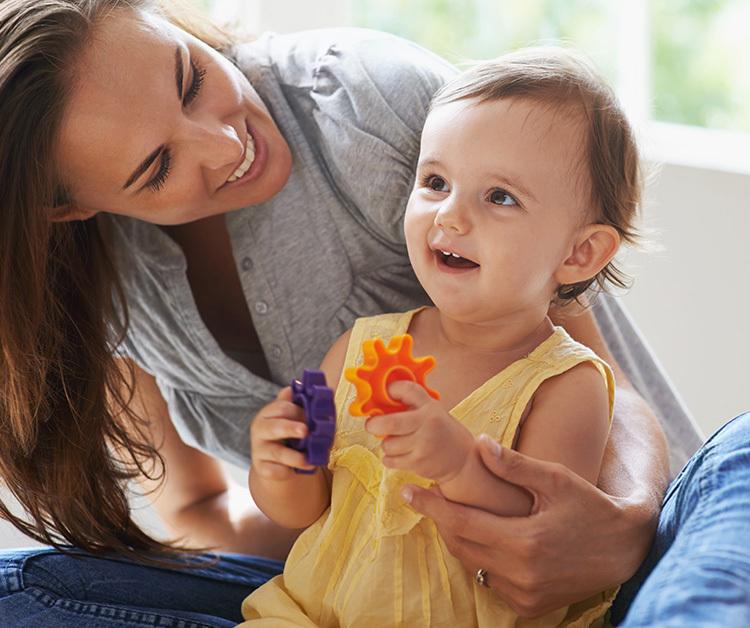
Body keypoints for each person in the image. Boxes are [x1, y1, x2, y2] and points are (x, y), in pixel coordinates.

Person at [0, 0, 694, 625]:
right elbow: (211, 510)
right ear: (68, 208)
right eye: (156, 167)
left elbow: (600, 379)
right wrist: (299, 486)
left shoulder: (371, 104)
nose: (225, 143)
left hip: (604, 548)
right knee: (18, 591)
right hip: (342, 588)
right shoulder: (112, 285)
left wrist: (623, 525)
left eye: (191, 79)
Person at [240, 47, 638, 627]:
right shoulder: (361, 349)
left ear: (580, 253)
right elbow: (304, 511)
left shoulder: (566, 384)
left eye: (500, 197)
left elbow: (542, 535)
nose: (450, 216)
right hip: (311, 614)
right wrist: (280, 467)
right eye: (435, 182)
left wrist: (460, 468)